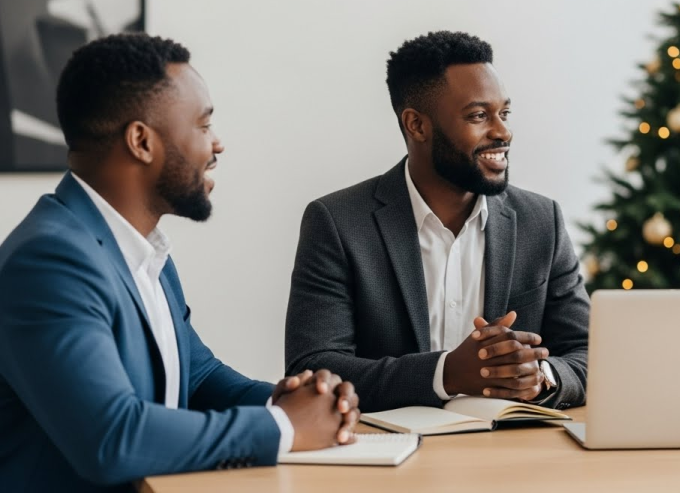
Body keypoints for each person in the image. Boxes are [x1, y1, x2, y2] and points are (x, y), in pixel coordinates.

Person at [0, 33, 361, 493]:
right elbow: (112, 439)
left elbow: (196, 375)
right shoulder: (50, 263)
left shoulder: (142, 249)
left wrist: (297, 402)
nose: (218, 144)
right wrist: (285, 429)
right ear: (141, 142)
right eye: (203, 125)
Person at [285, 30, 589, 412]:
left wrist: (542, 375)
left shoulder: (541, 221)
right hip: (388, 458)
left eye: (504, 113)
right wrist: (446, 373)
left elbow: (591, 354)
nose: (503, 131)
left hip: (514, 453)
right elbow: (313, 368)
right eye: (479, 116)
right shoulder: (338, 222)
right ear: (417, 125)